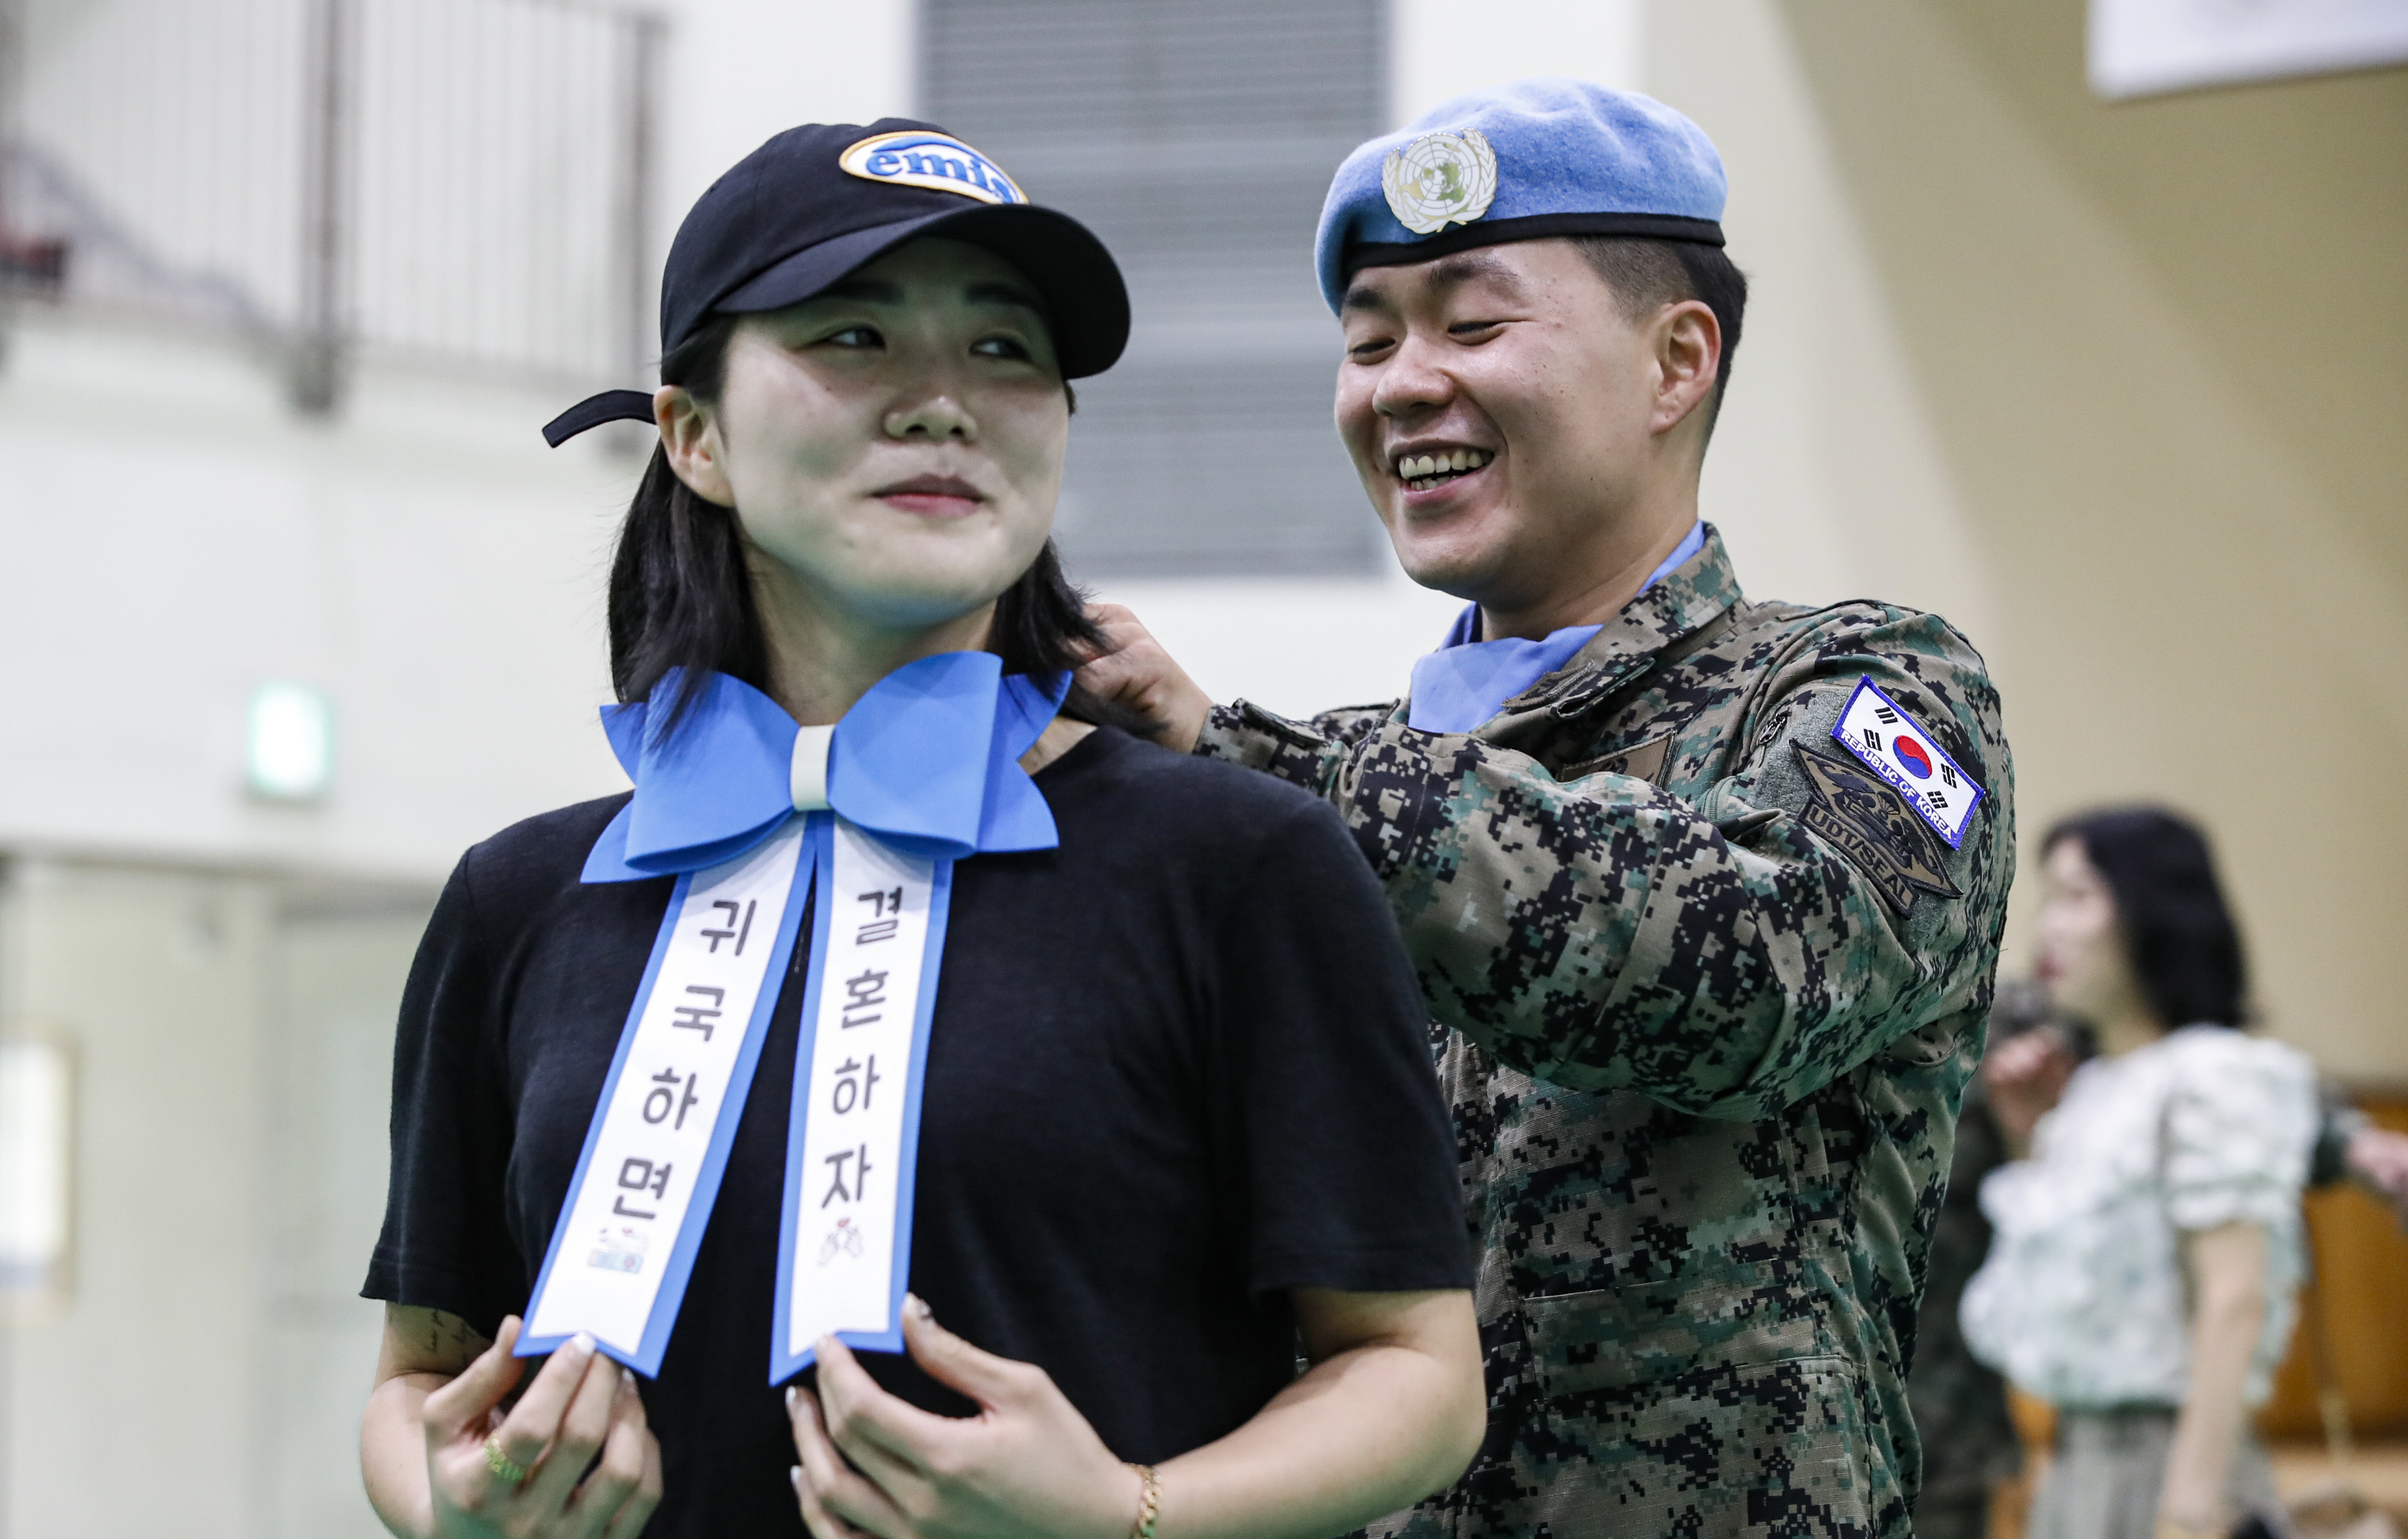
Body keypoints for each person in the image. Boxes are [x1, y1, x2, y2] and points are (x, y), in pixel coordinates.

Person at [356, 119, 1487, 1539]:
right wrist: (449, 1506)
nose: (943, 402)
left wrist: (1129, 1511)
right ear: (692, 435)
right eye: (852, 337)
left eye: (1006, 352)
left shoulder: (1236, 865)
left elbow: (1419, 1374)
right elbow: (418, 1381)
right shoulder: (522, 895)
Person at [1081, 78, 2013, 1539]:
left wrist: (1244, 768)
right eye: (1367, 338)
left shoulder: (1861, 689)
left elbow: (1758, 971)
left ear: (1673, 361)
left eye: (1470, 325)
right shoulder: (1323, 779)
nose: (1399, 384)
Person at [1964, 808, 2317, 1539]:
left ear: (2155, 909)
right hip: (2073, 1464)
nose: (2049, 928)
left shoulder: (2214, 1075)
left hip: (2172, 1463)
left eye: (2078, 896)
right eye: (2048, 899)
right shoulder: (2091, 1088)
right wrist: (2028, 1140)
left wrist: (2190, 1505)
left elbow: (2234, 1298)